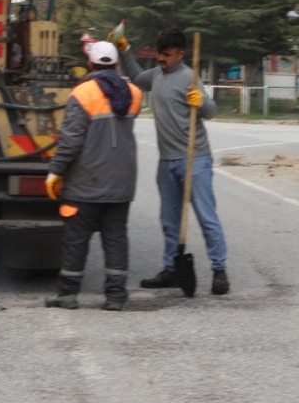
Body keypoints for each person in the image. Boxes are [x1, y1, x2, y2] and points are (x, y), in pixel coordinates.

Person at [119, 27, 230, 295]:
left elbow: (211, 111)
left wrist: (200, 101)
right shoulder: (156, 76)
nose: (160, 59)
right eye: (159, 53)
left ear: (180, 54)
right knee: (169, 220)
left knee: (206, 216)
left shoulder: (189, 78)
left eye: (166, 54)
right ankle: (170, 269)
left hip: (195, 159)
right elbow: (134, 76)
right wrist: (124, 49)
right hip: (166, 162)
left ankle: (219, 270)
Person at [43, 41, 143, 311]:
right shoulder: (134, 93)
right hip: (122, 181)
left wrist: (55, 171)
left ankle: (67, 295)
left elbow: (71, 141)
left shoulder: (82, 93)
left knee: (76, 239)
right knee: (115, 238)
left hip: (86, 181)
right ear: (116, 64)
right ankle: (115, 296)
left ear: (91, 64)